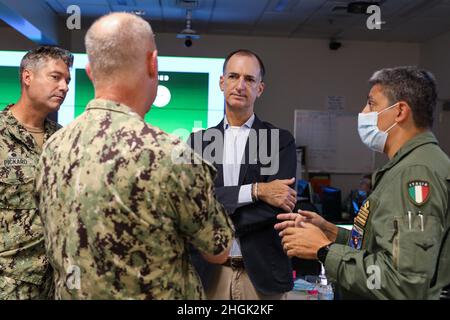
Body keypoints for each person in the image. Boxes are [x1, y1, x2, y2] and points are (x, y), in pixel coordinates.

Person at [35, 12, 233, 300]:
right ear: (152, 63)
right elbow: (218, 250)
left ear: (90, 71)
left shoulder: (52, 147)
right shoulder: (172, 155)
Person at [276, 66, 450, 299]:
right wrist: (330, 233)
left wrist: (324, 251)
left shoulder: (415, 174)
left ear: (400, 112)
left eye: (371, 104)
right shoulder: (409, 165)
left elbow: (403, 283)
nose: (363, 112)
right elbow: (383, 250)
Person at [189, 49, 297, 300]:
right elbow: (193, 204)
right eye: (234, 76)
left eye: (249, 79)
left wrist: (217, 209)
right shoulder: (198, 142)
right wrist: (256, 190)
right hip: (209, 274)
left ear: (260, 88)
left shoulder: (278, 141)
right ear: (221, 82)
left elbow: (277, 209)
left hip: (260, 276)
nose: (240, 85)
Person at [0, 46, 73, 299]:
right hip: (9, 284)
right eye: (55, 77)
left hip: (55, 285)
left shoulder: (64, 139)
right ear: (27, 77)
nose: (64, 87)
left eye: (67, 80)